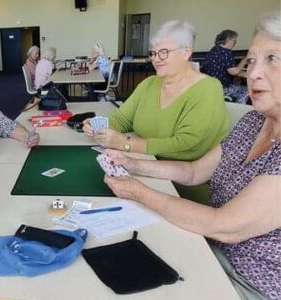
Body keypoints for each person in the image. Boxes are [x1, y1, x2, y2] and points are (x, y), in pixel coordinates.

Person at [103, 11, 280, 300]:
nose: (255, 73)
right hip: (208, 246)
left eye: (272, 58)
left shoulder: (206, 88)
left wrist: (138, 191)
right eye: (251, 61)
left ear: (185, 52)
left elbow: (225, 227)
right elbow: (195, 171)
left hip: (250, 282)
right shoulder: (253, 123)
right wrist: (132, 164)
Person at [83, 20, 230, 203]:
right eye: (153, 53)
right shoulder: (149, 84)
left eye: (164, 52)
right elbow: (122, 119)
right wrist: (102, 127)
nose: (156, 58)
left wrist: (126, 144)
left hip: (186, 185)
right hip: (142, 167)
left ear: (186, 51)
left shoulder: (209, 88)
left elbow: (188, 145)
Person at [201, 30, 250, 104]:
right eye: (235, 41)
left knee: (237, 83)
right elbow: (234, 72)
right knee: (247, 91)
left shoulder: (213, 50)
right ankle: (238, 110)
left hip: (211, 87)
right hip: (223, 88)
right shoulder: (226, 53)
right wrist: (245, 60)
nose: (235, 44)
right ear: (229, 41)